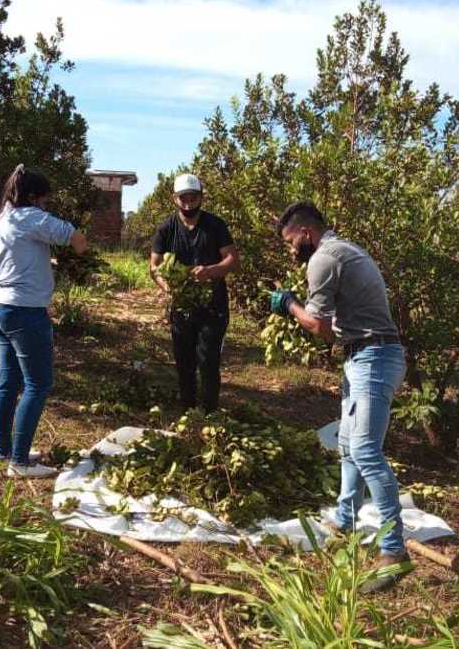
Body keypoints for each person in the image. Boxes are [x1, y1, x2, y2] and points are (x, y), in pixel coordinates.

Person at [268, 201, 411, 593]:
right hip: (364, 355)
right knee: (348, 445)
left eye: (289, 242)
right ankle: (346, 522)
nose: (289, 250)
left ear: (305, 234)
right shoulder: (342, 250)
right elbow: (333, 331)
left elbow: (316, 324)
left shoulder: (324, 259)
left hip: (374, 357)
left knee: (365, 450)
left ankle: (394, 550)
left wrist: (289, 304)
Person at [0, 164, 87, 478]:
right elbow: (77, 238)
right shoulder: (32, 218)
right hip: (24, 311)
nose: (47, 206)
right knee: (38, 384)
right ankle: (19, 462)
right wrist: (76, 251)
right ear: (33, 197)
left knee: (8, 382)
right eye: (45, 200)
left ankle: (3, 452)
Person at [149, 173, 238, 413]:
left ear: (201, 197)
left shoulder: (215, 225)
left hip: (213, 305)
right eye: (183, 198)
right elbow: (154, 267)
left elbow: (232, 259)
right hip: (182, 306)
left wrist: (211, 271)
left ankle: (209, 413)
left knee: (208, 361)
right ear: (175, 199)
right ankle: (187, 412)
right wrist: (168, 286)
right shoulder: (166, 228)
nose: (188, 203)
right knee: (184, 362)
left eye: (193, 198)